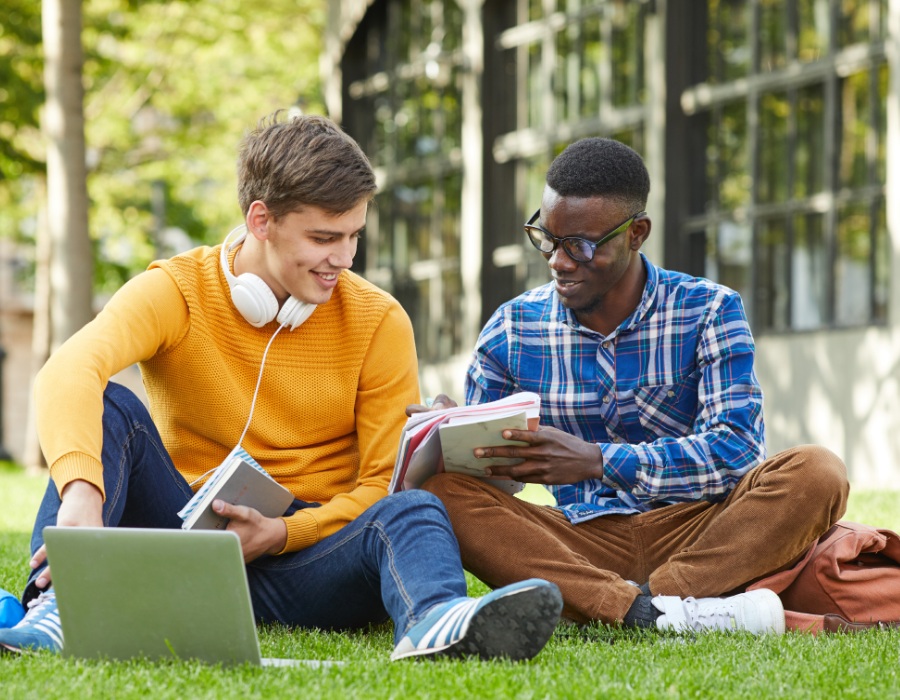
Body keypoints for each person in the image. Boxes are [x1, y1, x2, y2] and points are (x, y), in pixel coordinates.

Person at [0, 112, 562, 660]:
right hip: (186, 533)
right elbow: (69, 369)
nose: (341, 259)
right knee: (109, 405)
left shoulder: (379, 320)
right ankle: (62, 603)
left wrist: (283, 531)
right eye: (323, 237)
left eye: (353, 236)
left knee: (413, 507)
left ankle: (437, 621)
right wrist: (81, 495)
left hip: (312, 556)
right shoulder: (178, 289)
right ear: (261, 220)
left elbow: (378, 484)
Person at [419, 137, 849, 634]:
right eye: (548, 239)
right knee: (442, 493)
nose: (559, 261)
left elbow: (736, 452)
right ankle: (656, 613)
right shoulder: (512, 327)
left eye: (580, 245)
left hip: (701, 531)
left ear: (636, 233)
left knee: (818, 471)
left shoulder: (709, 309)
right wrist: (456, 432)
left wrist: (598, 460)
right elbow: (495, 485)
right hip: (577, 542)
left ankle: (639, 604)